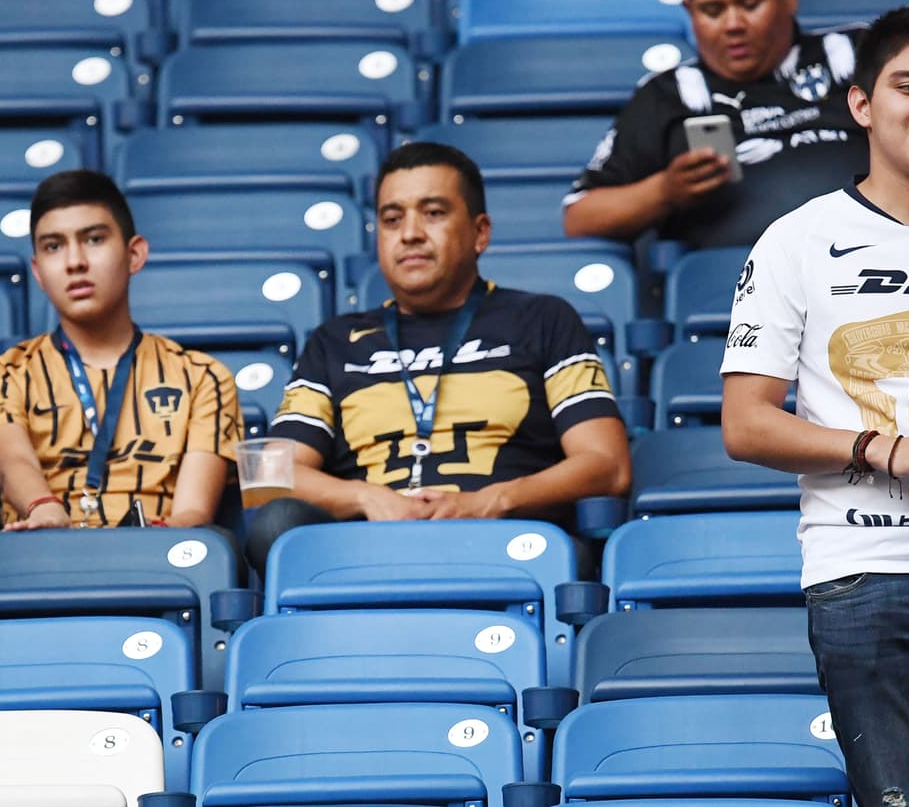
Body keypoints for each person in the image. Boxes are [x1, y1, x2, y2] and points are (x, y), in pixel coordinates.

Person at [720, 2, 909, 807]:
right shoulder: (796, 239)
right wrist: (881, 447)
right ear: (862, 104)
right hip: (864, 573)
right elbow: (746, 422)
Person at [247, 142, 631, 573]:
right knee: (276, 523)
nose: (409, 233)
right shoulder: (336, 340)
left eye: (433, 213)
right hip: (363, 548)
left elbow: (607, 465)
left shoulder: (543, 319)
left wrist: (491, 501)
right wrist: (365, 497)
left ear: (479, 232)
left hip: (499, 542)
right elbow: (270, 474)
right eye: (392, 219)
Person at [0, 170, 243, 529]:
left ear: (134, 255)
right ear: (37, 271)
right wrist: (43, 507)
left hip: (153, 564)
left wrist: (134, 542)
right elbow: (12, 462)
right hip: (41, 552)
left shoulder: (202, 378)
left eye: (94, 239)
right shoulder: (1, 377)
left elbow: (193, 515)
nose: (74, 262)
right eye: (53, 246)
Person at [561, 0, 871, 250]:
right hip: (731, 283)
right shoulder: (668, 93)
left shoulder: (859, 54)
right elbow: (579, 217)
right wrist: (665, 191)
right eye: (712, 10)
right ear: (689, 12)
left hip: (875, 253)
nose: (733, 24)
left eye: (750, 4)